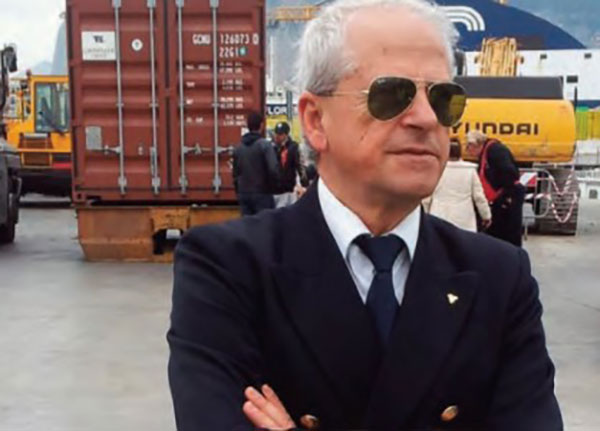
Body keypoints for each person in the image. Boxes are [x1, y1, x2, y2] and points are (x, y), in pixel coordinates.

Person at [168, 1, 562, 430]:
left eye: (443, 98)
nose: (426, 119)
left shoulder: (499, 278)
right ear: (316, 121)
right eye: (392, 95)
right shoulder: (227, 268)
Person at [466, 130, 526, 246]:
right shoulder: (487, 152)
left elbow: (509, 173)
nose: (468, 151)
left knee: (508, 232)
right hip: (501, 195)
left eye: (468, 147)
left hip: (508, 195)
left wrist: (504, 195)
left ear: (475, 145)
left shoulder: (495, 151)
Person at [423, 139, 491, 232]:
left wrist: (424, 214)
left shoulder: (436, 170)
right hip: (464, 218)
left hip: (438, 214)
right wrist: (486, 215)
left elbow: (427, 197)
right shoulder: (470, 170)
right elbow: (479, 197)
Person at [232, 111, 280, 216]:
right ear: (261, 125)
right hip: (262, 193)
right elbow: (273, 169)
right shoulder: (265, 146)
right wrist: (274, 187)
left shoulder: (238, 148)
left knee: (247, 224)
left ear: (248, 126)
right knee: (264, 223)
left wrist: (239, 191)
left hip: (244, 193)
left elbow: (235, 174)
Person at [272, 121, 308, 207]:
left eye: (280, 134)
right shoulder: (271, 147)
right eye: (276, 133)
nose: (277, 136)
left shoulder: (293, 147)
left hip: (289, 189)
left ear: (286, 135)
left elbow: (300, 166)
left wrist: (304, 184)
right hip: (274, 190)